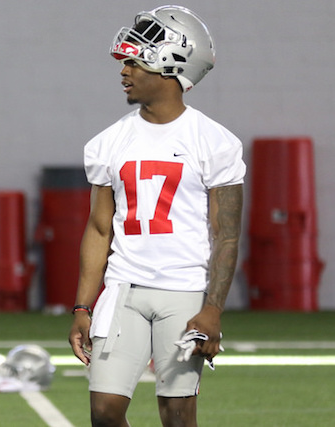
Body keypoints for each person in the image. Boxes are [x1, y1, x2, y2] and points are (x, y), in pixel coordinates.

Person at [67, 6, 246, 427]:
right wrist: (81, 304)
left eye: (135, 61)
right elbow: (98, 229)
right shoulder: (108, 142)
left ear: (169, 63)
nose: (124, 70)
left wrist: (214, 308)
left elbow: (227, 235)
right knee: (105, 413)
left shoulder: (215, 142)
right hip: (124, 287)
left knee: (178, 417)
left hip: (182, 291)